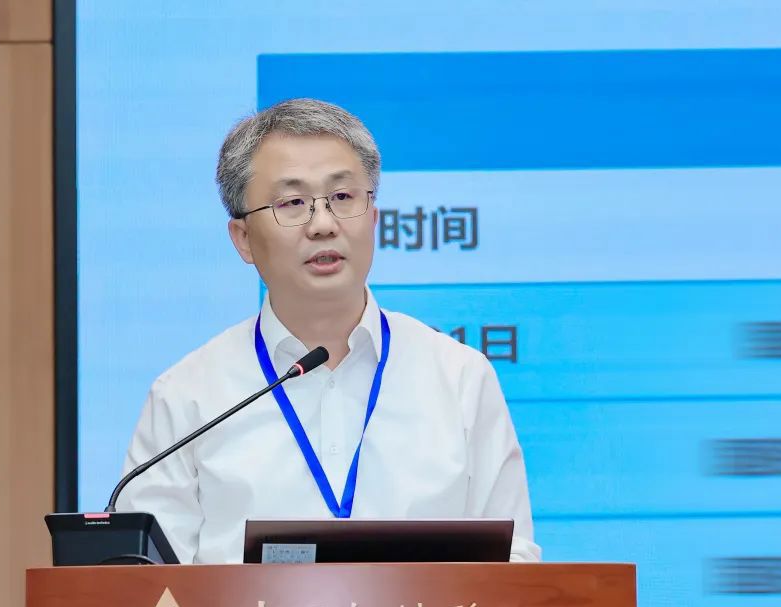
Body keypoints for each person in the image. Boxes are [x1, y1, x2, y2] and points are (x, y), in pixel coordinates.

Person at [119, 98, 540, 563]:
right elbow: (143, 585)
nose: (323, 224)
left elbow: (515, 564)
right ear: (243, 239)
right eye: (292, 203)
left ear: (374, 218)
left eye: (342, 198)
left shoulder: (459, 377)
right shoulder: (187, 397)